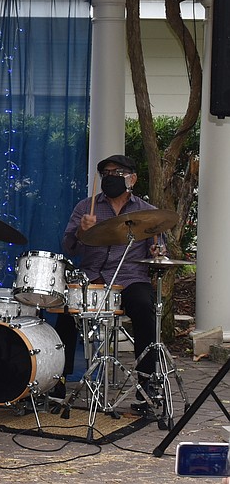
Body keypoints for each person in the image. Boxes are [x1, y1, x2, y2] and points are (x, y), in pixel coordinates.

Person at [54, 154, 164, 412]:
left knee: (143, 306)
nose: (110, 177)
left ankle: (146, 382)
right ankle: (59, 379)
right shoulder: (86, 207)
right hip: (93, 277)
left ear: (132, 179)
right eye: (106, 173)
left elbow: (157, 251)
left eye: (117, 172)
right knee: (66, 310)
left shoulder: (146, 212)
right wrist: (83, 230)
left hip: (130, 278)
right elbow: (69, 247)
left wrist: (159, 252)